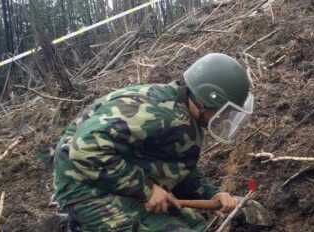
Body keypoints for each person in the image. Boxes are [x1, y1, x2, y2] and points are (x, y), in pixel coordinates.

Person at [52, 53, 254, 231]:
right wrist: (147, 191)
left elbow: (177, 167)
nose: (225, 118)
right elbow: (84, 149)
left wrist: (213, 194)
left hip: (115, 173)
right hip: (82, 183)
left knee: (196, 225)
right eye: (225, 111)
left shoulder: (184, 114)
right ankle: (79, 223)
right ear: (207, 99)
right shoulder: (160, 115)